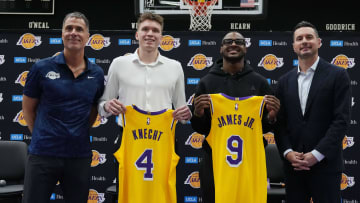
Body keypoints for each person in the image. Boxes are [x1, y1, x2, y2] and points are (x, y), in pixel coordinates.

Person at [97, 12, 191, 202]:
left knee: (162, 193)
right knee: (129, 193)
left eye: (155, 30)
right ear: (137, 34)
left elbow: (182, 113)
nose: (150, 34)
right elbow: (101, 106)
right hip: (129, 139)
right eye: (145, 29)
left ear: (161, 37)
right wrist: (108, 105)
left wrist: (186, 114)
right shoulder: (119, 64)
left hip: (163, 141)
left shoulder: (175, 67)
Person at [22, 12, 104, 203]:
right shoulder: (41, 68)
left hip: (78, 156)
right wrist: (42, 134)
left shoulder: (97, 74)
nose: (73, 33)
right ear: (62, 34)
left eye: (79, 29)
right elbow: (27, 108)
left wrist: (77, 132)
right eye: (69, 28)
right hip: (43, 155)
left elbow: (92, 111)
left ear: (88, 37)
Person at [190, 31, 280, 203]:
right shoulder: (207, 82)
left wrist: (272, 117)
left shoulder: (259, 82)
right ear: (221, 48)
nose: (233, 44)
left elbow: (266, 126)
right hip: (214, 160)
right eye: (228, 42)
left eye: (239, 41)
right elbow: (200, 128)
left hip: (250, 159)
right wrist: (198, 114)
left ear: (245, 48)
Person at [274, 21, 351, 203]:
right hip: (294, 168)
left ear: (319, 42)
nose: (304, 41)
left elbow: (341, 120)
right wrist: (287, 153)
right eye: (299, 39)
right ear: (293, 46)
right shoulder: (284, 81)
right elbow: (279, 123)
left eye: (309, 37)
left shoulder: (338, 75)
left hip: (326, 166)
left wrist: (316, 155)